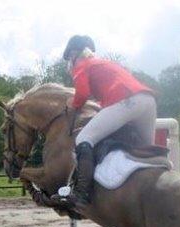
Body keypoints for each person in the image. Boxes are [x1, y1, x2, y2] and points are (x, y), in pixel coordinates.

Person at [60, 35, 158, 208]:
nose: (69, 62)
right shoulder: (104, 63)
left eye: (69, 58)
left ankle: (81, 194)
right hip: (147, 101)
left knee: (83, 139)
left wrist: (72, 105)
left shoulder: (81, 65)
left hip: (126, 101)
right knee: (146, 152)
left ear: (74, 54)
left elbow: (81, 95)